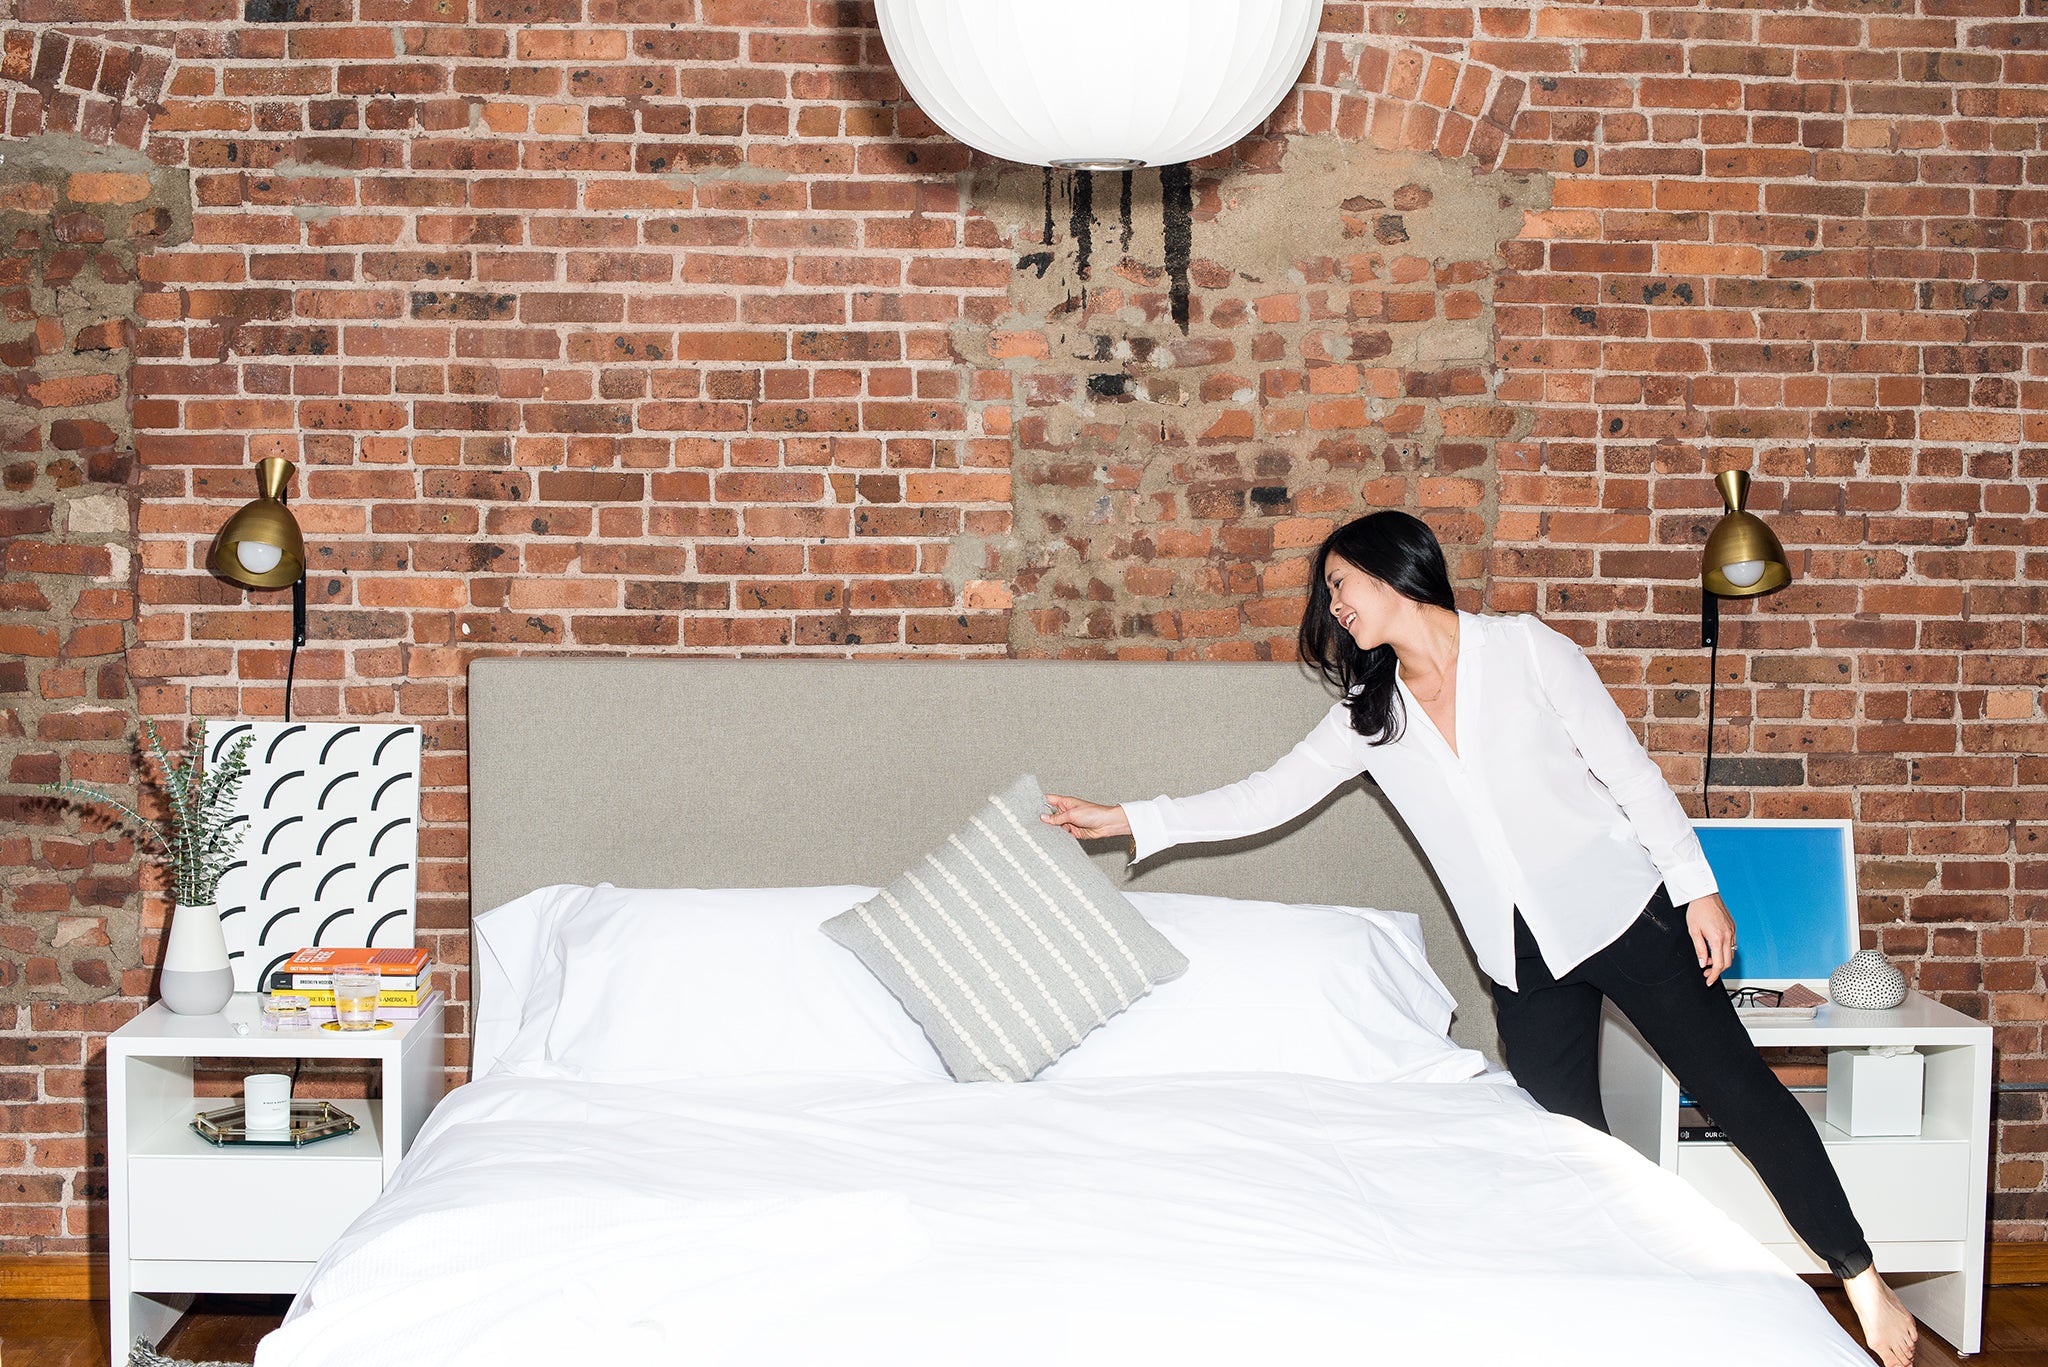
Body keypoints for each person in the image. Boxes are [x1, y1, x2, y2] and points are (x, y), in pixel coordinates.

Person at [1041, 510, 1917, 1367]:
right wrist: (1127, 817)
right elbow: (1261, 797)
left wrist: (1698, 890)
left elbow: (1628, 771)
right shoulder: (1369, 715)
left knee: (1737, 1089)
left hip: (1621, 912)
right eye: (1330, 596)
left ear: (1394, 569)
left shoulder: (1527, 649)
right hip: (1518, 959)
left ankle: (1862, 1275)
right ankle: (1622, 1307)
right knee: (1566, 1140)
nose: (1334, 605)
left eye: (1341, 585)